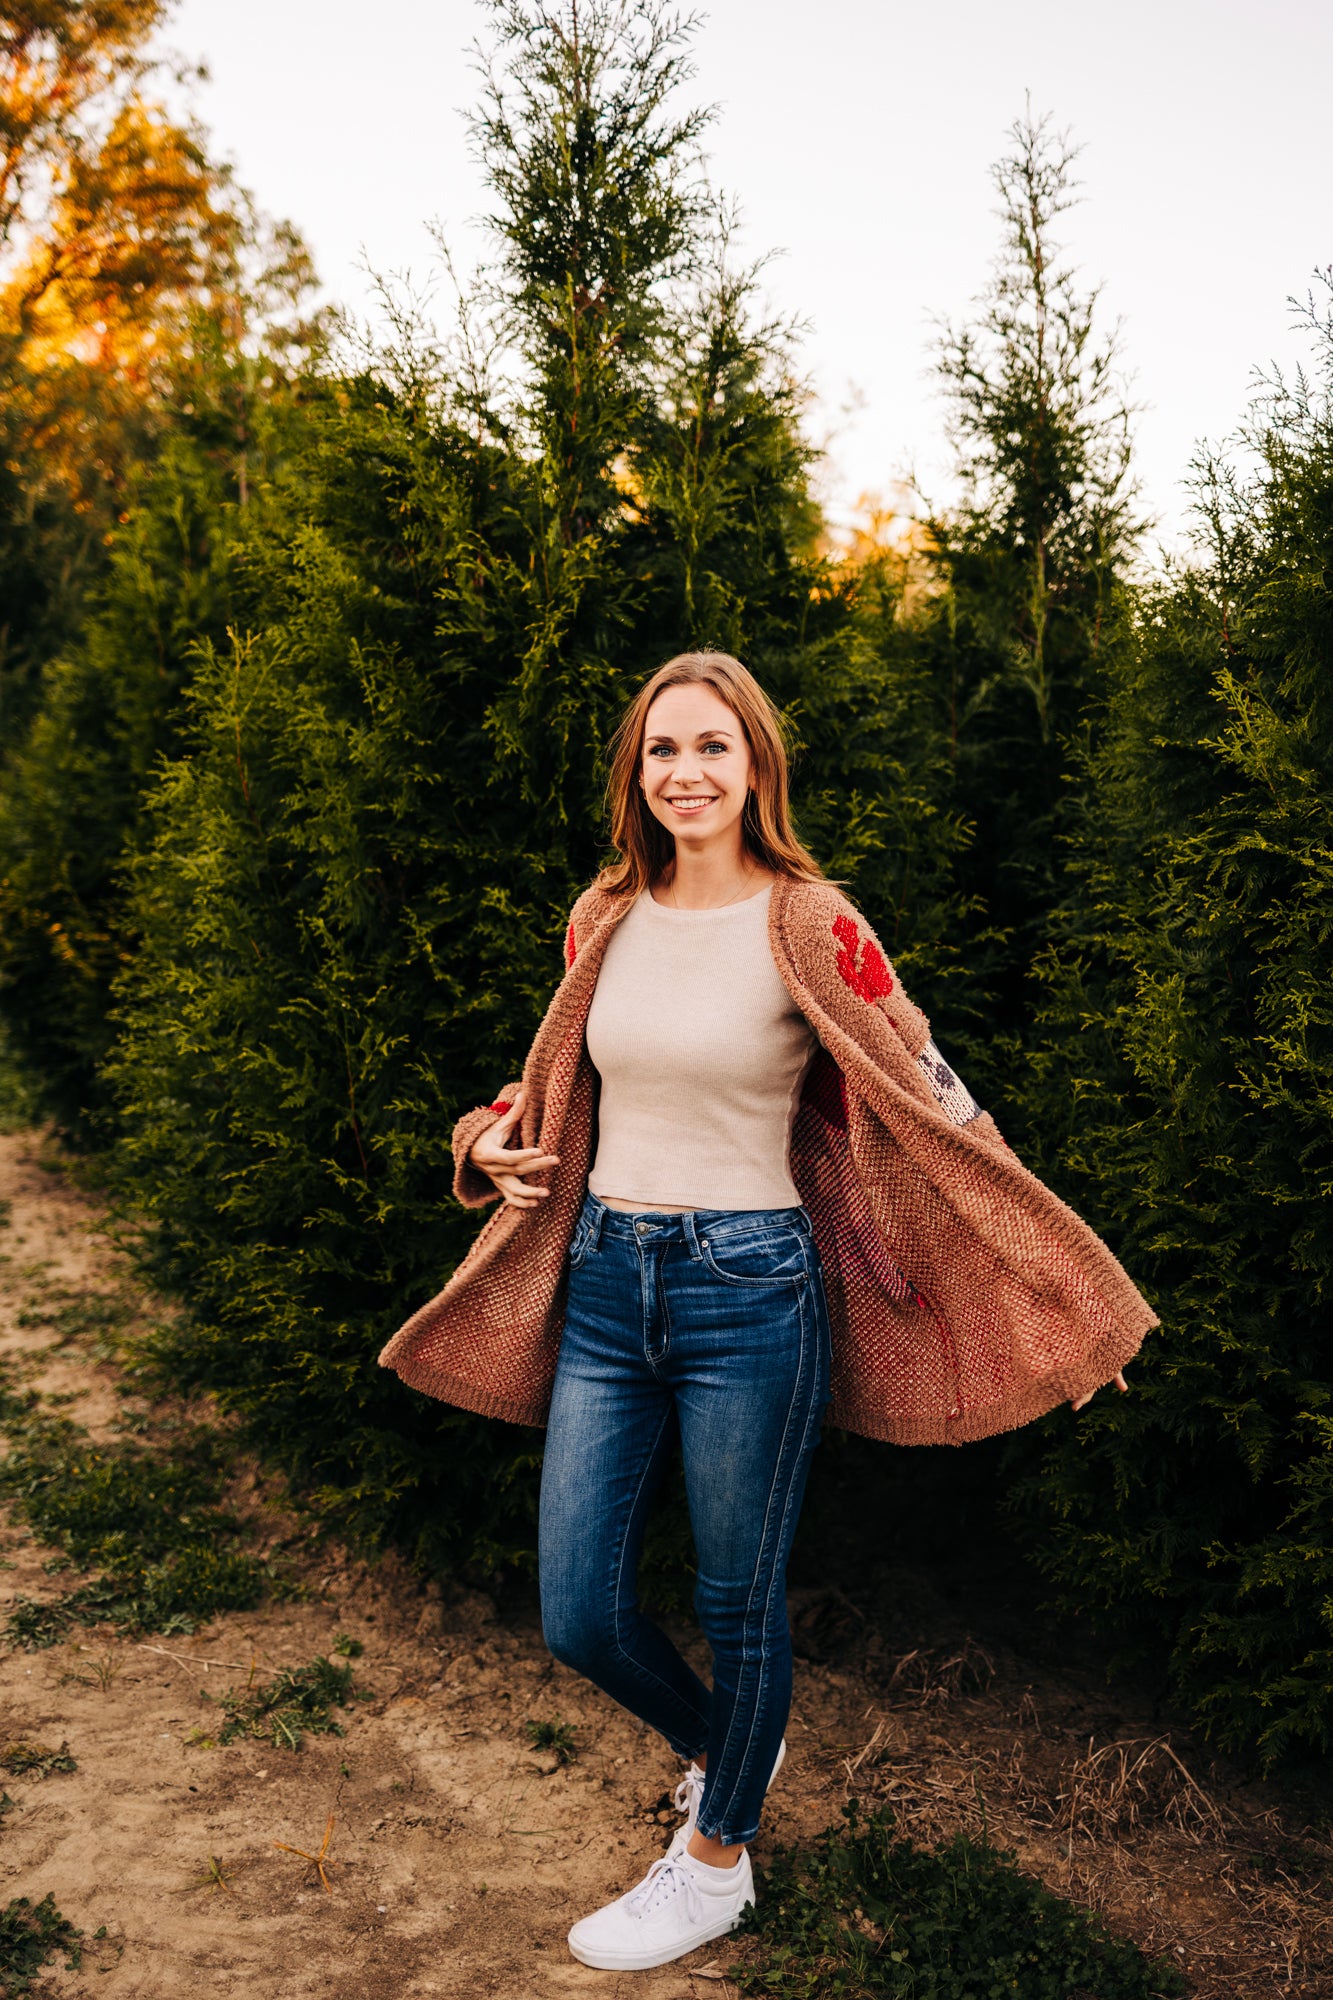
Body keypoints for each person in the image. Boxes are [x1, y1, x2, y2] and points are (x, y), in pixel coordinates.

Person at [379, 651, 1153, 1973]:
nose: (684, 772)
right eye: (661, 750)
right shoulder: (602, 918)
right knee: (577, 1609)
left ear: (755, 771)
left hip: (753, 1291)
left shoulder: (812, 922)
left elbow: (922, 1081)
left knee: (740, 1607)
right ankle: (726, 1744)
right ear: (637, 772)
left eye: (711, 750)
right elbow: (552, 1087)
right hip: (609, 1284)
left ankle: (717, 1862)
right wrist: (487, 1144)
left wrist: (1021, 1231)